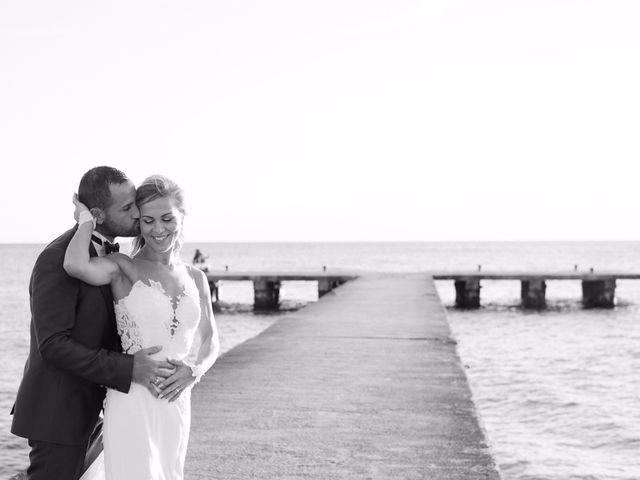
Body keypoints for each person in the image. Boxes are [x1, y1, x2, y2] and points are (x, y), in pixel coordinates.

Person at [11, 166, 174, 480]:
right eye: (127, 208)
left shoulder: (111, 256)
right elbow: (53, 345)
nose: (138, 214)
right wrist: (129, 368)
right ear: (97, 215)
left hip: (99, 408)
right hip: (59, 414)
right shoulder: (57, 258)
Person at [64, 174, 219, 480]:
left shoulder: (196, 277)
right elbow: (75, 265)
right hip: (132, 400)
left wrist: (195, 370)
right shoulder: (124, 266)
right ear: (138, 223)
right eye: (148, 220)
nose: (158, 229)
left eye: (167, 219)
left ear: (182, 218)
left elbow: (211, 338)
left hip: (177, 403)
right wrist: (86, 220)